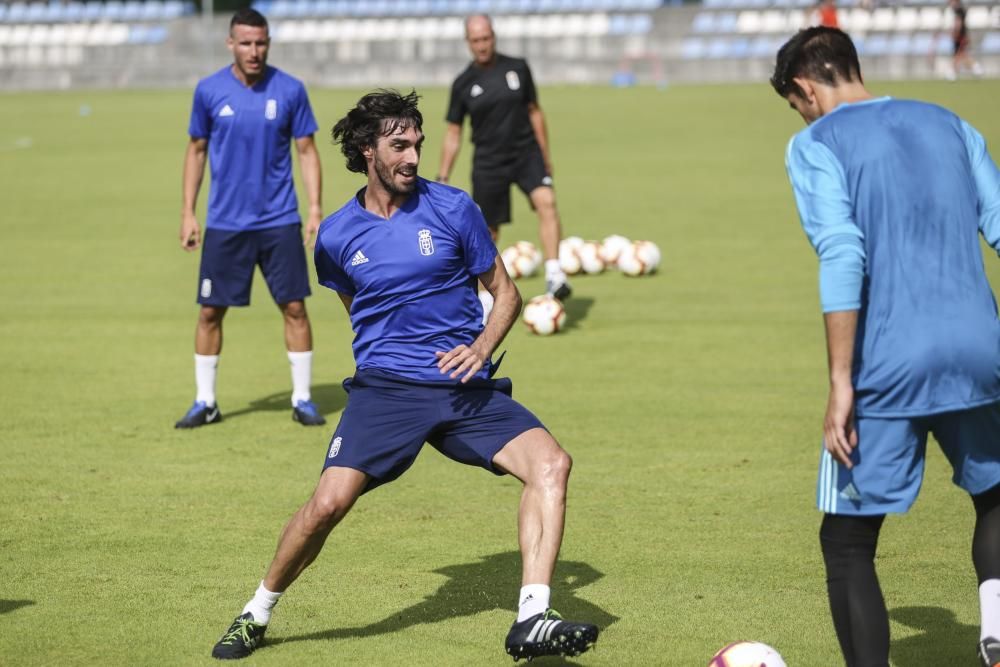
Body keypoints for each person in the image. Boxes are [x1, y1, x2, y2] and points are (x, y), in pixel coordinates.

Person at [209, 90, 599, 662]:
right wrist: (387, 361)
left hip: (464, 387)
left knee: (551, 464)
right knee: (326, 507)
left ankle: (533, 615)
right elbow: (357, 308)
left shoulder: (453, 208)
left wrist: (481, 345)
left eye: (416, 142)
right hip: (387, 392)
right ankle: (256, 611)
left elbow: (506, 294)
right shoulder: (337, 237)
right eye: (399, 145)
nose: (413, 156)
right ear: (368, 150)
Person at [771, 27, 1000, 667]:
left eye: (797, 104)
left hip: (888, 362)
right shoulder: (951, 123)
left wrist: (841, 380)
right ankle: (997, 622)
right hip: (982, 351)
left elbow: (844, 252)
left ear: (805, 89)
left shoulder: (815, 143)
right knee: (997, 494)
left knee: (846, 543)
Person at [176, 8, 326, 429]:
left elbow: (307, 152)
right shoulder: (209, 91)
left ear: (268, 43)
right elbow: (196, 151)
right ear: (231, 44)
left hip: (279, 220)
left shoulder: (291, 89)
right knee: (209, 312)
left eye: (261, 43)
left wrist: (314, 209)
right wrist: (188, 212)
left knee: (294, 306)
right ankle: (206, 401)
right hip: (225, 223)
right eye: (246, 43)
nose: (254, 51)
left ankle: (302, 398)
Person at [438, 14, 571, 310]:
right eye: (476, 41)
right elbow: (454, 131)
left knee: (547, 202)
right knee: (488, 232)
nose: (482, 45)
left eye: (486, 38)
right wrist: (443, 175)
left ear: (493, 36)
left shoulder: (518, 68)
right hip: (488, 162)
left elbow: (535, 111)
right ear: (468, 42)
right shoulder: (463, 83)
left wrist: (545, 154)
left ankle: (554, 274)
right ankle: (485, 299)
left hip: (526, 153)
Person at [948, 0, 983, 81]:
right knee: (960, 54)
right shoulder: (960, 10)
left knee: (960, 54)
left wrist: (954, 33)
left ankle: (975, 67)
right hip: (961, 36)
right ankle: (954, 72)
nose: (950, 3)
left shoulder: (958, 10)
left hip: (960, 37)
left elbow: (958, 23)